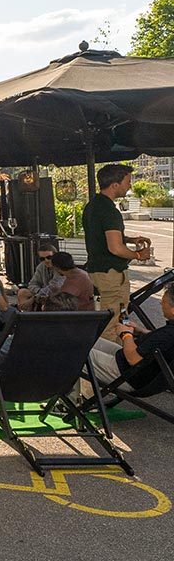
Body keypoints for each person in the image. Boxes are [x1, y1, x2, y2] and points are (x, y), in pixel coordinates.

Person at [83, 163, 151, 342]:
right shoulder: (110, 211)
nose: (130, 186)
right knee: (112, 322)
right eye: (127, 182)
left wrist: (128, 239)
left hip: (101, 272)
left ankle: (123, 350)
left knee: (121, 316)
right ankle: (113, 364)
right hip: (110, 274)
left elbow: (102, 236)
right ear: (115, 185)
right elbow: (115, 248)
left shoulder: (92, 206)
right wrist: (138, 255)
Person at [88, 281, 174, 393]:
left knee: (73, 352)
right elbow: (161, 344)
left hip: (128, 374)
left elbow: (133, 359)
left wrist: (126, 334)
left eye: (164, 302)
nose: (161, 304)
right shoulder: (169, 333)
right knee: (88, 340)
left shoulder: (168, 334)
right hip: (130, 364)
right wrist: (140, 331)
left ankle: (75, 396)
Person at [15, 240, 59, 311]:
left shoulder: (60, 267)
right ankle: (27, 317)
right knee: (22, 292)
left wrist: (35, 297)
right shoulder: (41, 266)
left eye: (49, 257)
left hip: (57, 294)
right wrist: (39, 292)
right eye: (42, 259)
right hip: (42, 292)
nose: (46, 260)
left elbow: (54, 288)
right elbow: (32, 284)